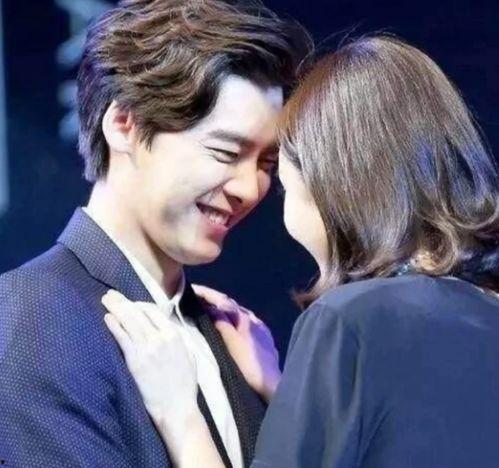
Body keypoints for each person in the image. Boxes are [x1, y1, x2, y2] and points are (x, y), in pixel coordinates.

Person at [103, 35, 499, 468]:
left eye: (278, 172)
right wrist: (287, 391)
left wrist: (180, 415)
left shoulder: (349, 320)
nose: (253, 190)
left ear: (330, 178)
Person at [0, 1, 311, 466]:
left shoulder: (230, 335)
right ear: (124, 124)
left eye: (266, 164)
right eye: (226, 152)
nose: (250, 189)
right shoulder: (35, 318)